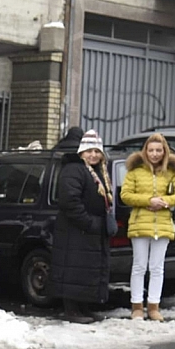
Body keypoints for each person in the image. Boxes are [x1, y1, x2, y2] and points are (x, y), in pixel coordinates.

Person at [47, 129, 114, 324]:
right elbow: (70, 202)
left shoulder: (98, 171)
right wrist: (90, 222)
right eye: (89, 151)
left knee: (85, 271)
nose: (93, 155)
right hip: (75, 231)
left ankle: (83, 307)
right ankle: (71, 310)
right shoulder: (74, 170)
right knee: (73, 270)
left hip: (89, 233)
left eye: (97, 151)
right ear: (81, 152)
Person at [119, 133, 175, 322]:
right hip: (140, 224)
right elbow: (125, 195)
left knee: (157, 267)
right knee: (139, 266)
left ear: (164, 151)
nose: (154, 154)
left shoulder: (171, 172)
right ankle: (137, 307)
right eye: (151, 150)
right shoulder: (135, 171)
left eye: (158, 150)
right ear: (145, 151)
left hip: (162, 225)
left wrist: (164, 201)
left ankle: (154, 306)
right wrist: (148, 201)